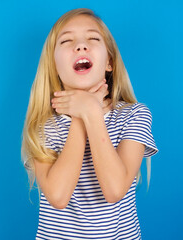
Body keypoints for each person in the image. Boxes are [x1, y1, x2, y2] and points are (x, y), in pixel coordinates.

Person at [21, 8, 159, 240]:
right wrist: (80, 114)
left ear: (109, 63)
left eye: (93, 38)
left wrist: (92, 114)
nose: (81, 46)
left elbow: (114, 190)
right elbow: (58, 195)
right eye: (66, 40)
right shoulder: (43, 127)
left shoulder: (135, 115)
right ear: (54, 66)